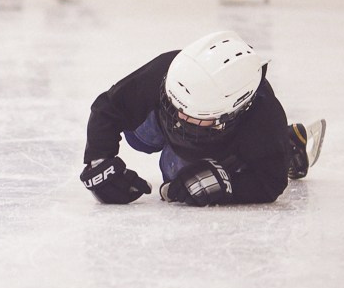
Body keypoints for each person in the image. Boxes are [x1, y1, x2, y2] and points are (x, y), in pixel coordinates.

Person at [79, 30, 325, 206]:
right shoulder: (167, 68)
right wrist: (98, 161)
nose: (178, 117)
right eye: (173, 102)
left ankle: (287, 145)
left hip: (223, 146)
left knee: (181, 179)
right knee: (140, 137)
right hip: (201, 134)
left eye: (195, 115)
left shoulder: (263, 118)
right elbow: (109, 106)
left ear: (233, 113)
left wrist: (228, 185)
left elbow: (271, 182)